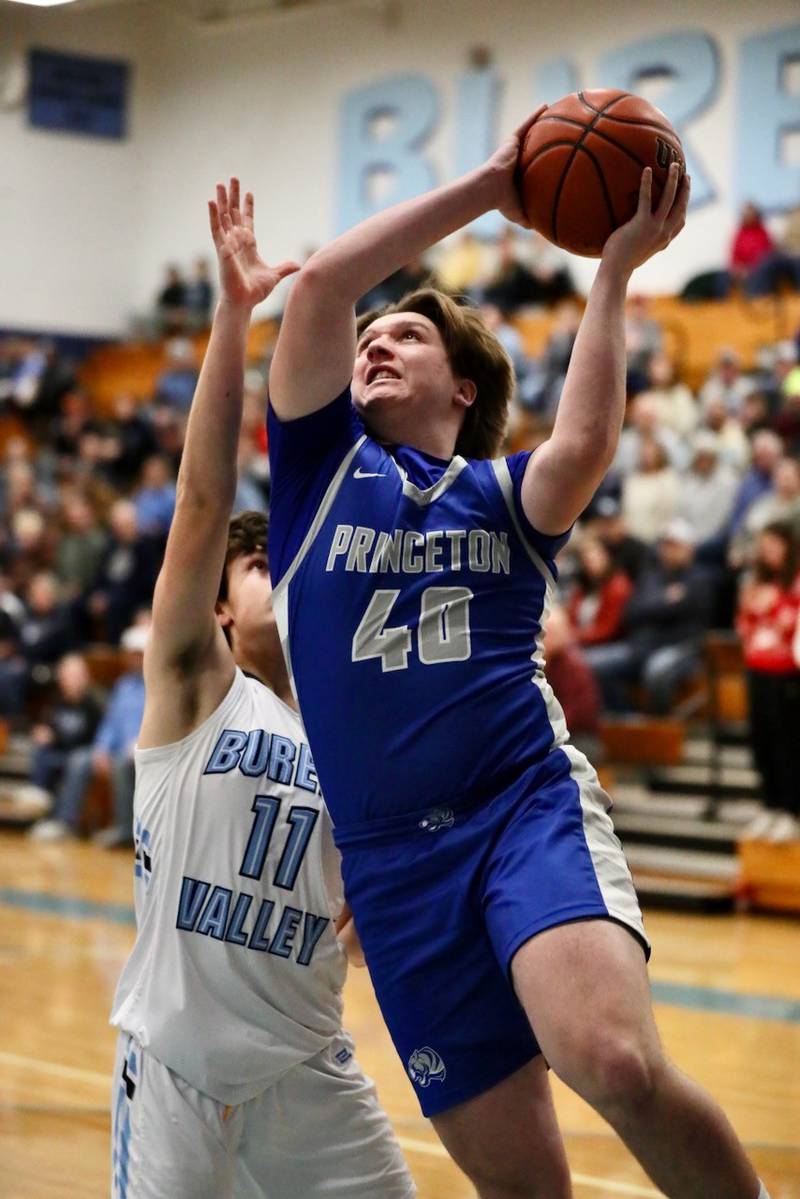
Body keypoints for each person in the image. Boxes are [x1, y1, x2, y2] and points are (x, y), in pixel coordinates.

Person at [267, 111, 768, 1199]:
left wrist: (613, 271)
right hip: (391, 862)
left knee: (615, 1060)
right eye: (372, 335)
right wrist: (492, 185)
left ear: (462, 389)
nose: (372, 342)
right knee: (523, 1187)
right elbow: (314, 290)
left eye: (404, 335)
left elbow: (583, 443)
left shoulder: (500, 498)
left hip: (516, 809)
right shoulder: (315, 478)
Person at [109, 180, 413, 1199]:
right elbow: (201, 500)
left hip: (307, 1069)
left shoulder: (351, 721)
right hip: (178, 1069)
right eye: (258, 567)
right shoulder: (195, 687)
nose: (280, 572)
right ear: (224, 614)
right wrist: (235, 316)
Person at [736, 522, 800, 842]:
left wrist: (774, 616)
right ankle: (769, 804)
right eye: (765, 544)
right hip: (757, 668)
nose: (769, 551)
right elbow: (746, 622)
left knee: (785, 742)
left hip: (786, 674)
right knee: (760, 741)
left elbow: (789, 623)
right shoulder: (756, 582)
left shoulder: (795, 583)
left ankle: (791, 810)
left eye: (775, 544)